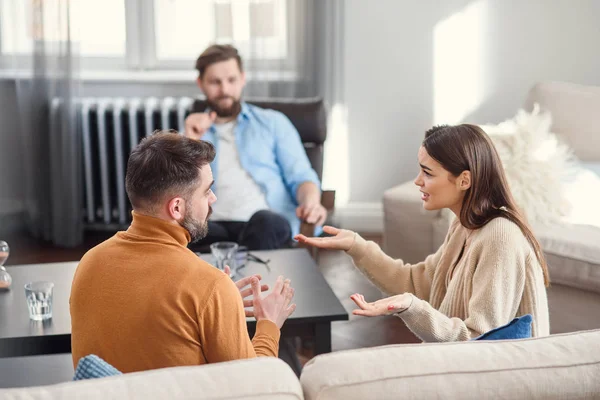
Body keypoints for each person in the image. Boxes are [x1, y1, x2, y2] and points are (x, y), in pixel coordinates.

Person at [296, 124, 550, 342]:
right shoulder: (465, 224)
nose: (418, 181)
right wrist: (356, 245)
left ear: (464, 180)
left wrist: (412, 307)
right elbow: (418, 284)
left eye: (427, 173)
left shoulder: (500, 237)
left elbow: (480, 341)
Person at [70, 132, 296, 373]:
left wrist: (215, 312)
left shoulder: (89, 262)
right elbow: (254, 388)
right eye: (206, 191)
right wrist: (268, 325)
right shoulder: (210, 286)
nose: (213, 198)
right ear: (177, 207)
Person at [184, 44, 326, 251]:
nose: (224, 90)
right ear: (201, 84)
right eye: (215, 82)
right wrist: (191, 142)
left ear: (242, 79)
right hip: (212, 225)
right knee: (189, 234)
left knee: (266, 223)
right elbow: (182, 195)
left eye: (231, 80)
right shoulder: (191, 131)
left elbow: (302, 177)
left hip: (264, 223)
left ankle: (238, 276)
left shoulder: (273, 123)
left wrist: (311, 202)